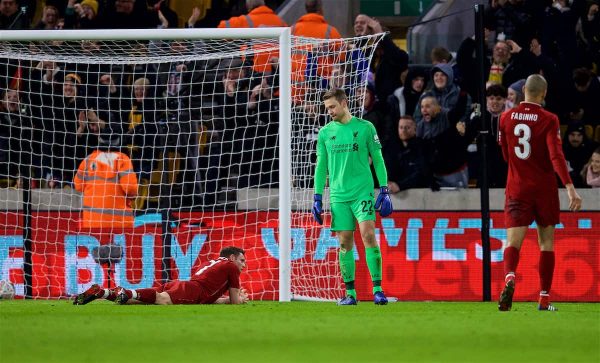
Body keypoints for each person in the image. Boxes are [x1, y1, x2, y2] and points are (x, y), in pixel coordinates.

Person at [497, 74, 582, 312]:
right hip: (544, 190)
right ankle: (544, 298)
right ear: (544, 94)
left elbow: (505, 155)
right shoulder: (549, 119)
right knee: (546, 244)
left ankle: (510, 277)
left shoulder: (505, 118)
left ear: (524, 89)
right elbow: (556, 155)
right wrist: (570, 188)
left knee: (513, 242)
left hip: (517, 187)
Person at [312, 88, 392, 306]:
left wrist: (384, 188)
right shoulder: (325, 133)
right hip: (338, 195)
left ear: (344, 103)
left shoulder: (365, 128)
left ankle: (377, 290)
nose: (329, 111)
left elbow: (377, 158)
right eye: (326, 108)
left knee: (368, 236)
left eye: (332, 107)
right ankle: (351, 294)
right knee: (345, 242)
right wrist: (317, 196)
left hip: (361, 192)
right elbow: (321, 167)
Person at [73, 246, 249, 305]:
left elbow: (207, 296)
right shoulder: (230, 266)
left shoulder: (211, 263)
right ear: (232, 258)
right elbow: (235, 302)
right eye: (241, 260)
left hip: (184, 286)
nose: (243, 264)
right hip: (191, 290)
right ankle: (122, 292)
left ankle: (101, 292)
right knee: (160, 299)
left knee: (139, 301)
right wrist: (238, 299)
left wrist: (225, 300)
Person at [73, 132, 138, 229]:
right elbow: (130, 188)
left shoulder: (88, 160)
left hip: (92, 222)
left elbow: (78, 186)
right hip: (119, 223)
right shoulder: (123, 159)